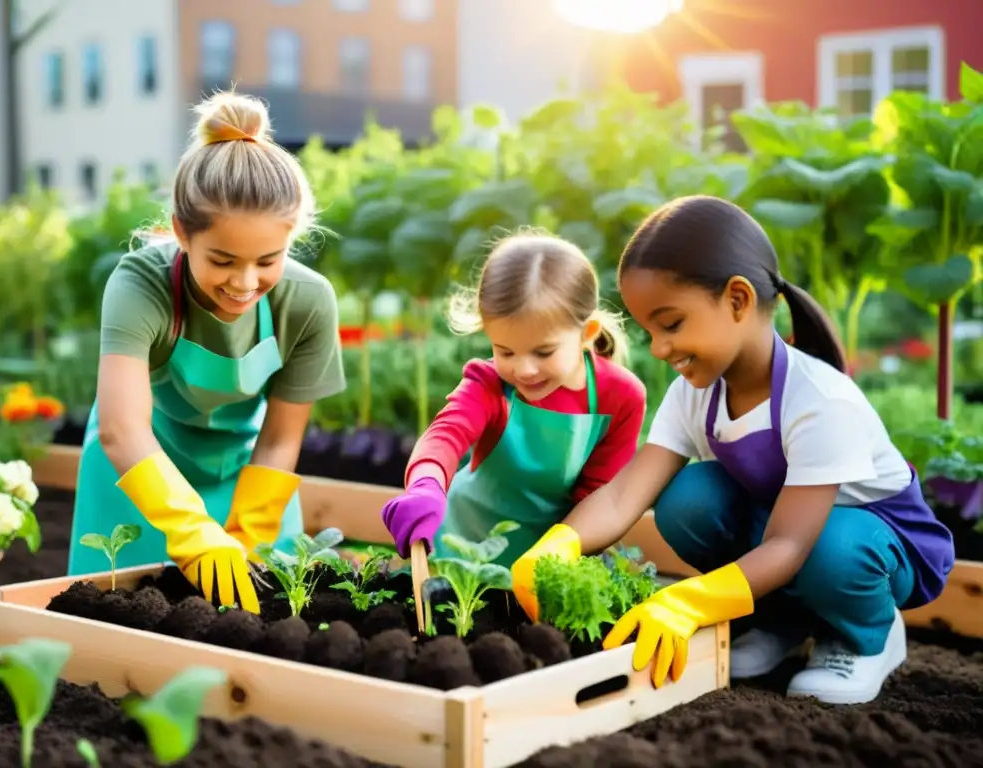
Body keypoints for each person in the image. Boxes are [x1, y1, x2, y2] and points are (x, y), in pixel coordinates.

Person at [516, 195, 955, 705]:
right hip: (785, 538)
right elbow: (624, 496)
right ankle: (778, 621)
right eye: (649, 330)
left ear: (738, 301)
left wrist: (692, 600)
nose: (658, 348)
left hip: (876, 544)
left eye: (672, 324)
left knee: (832, 548)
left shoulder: (820, 401)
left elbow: (791, 545)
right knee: (688, 501)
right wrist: (558, 544)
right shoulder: (696, 391)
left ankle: (867, 638)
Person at [67, 91, 347, 614]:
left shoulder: (307, 302)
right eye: (222, 260)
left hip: (248, 474)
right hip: (139, 473)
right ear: (180, 232)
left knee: (262, 624)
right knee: (115, 630)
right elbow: (122, 428)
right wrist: (192, 530)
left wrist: (246, 535)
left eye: (268, 260)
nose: (244, 283)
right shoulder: (141, 283)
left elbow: (282, 436)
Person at [380, 233, 648, 588]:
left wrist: (562, 558)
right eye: (505, 351)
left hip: (550, 551)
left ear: (587, 334)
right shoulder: (488, 383)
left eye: (543, 352)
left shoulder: (621, 397)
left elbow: (597, 495)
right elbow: (446, 435)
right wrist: (425, 485)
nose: (524, 370)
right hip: (464, 541)